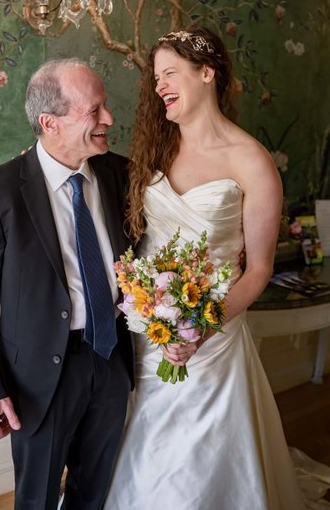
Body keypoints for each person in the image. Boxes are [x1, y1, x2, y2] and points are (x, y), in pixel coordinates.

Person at [104, 26, 308, 509]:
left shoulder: (252, 162)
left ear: (207, 73)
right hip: (145, 338)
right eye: (156, 78)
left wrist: (199, 329)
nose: (159, 87)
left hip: (212, 341)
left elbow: (257, 270)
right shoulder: (154, 151)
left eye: (170, 73)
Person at [0, 58, 134, 510]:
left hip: (111, 359)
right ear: (49, 122)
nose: (108, 119)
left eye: (105, 107)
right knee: (36, 497)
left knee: (94, 492)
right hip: (39, 375)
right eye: (95, 111)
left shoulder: (120, 173)